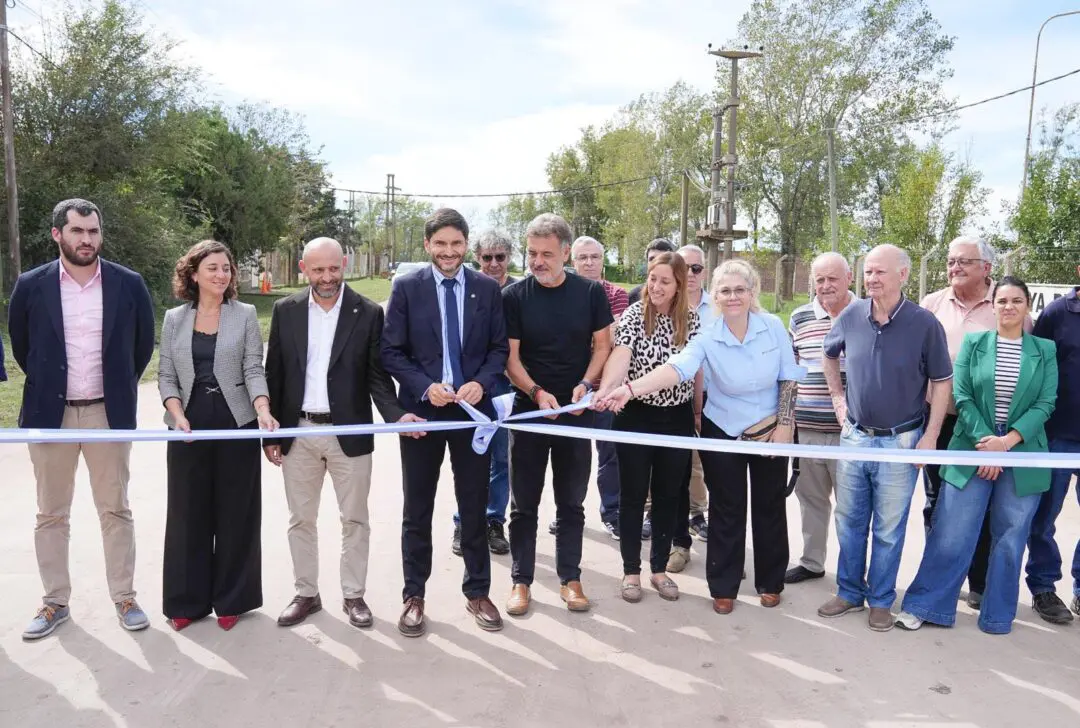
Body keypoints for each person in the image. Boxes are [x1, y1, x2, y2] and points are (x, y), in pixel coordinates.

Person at [604, 260, 804, 614]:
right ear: (717, 295)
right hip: (722, 428)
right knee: (726, 507)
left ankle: (770, 582)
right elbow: (678, 368)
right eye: (725, 290)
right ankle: (724, 587)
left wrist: (785, 427)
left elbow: (788, 377)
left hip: (771, 428)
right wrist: (630, 389)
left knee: (769, 504)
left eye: (740, 290)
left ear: (752, 292)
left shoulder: (773, 326)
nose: (732, 297)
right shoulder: (708, 333)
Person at [8, 199, 155, 640]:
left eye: (93, 231)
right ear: (58, 234)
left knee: (116, 509)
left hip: (107, 414)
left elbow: (141, 347)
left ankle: (124, 597)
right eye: (77, 231)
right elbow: (23, 346)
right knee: (51, 513)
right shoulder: (30, 285)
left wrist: (117, 389)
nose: (86, 239)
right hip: (49, 416)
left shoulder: (128, 284)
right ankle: (55, 601)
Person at [264, 238, 417, 630]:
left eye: (334, 268)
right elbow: (274, 372)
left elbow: (377, 376)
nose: (327, 277)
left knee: (355, 519)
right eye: (318, 270)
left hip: (349, 433)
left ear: (344, 264)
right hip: (298, 431)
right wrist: (272, 435)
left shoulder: (368, 312)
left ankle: (354, 596)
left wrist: (397, 416)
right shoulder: (286, 309)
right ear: (304, 269)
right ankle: (306, 593)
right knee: (301, 519)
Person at [896, 277, 1057, 634]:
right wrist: (988, 442)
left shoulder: (1044, 350)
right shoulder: (975, 343)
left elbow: (1046, 403)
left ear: (1027, 307)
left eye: (1017, 301)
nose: (1009, 307)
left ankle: (997, 616)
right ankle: (926, 605)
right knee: (952, 530)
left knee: (1010, 538)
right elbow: (963, 396)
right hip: (973, 445)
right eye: (1002, 301)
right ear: (993, 305)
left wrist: (1006, 443)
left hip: (1022, 451)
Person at [382, 208, 509, 637]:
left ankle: (478, 592)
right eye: (440, 243)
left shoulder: (486, 289)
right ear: (427, 245)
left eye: (456, 243)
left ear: (466, 245)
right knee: (417, 508)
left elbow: (498, 349)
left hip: (473, 415)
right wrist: (424, 387)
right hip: (424, 413)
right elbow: (391, 352)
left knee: (474, 506)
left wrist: (481, 382)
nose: (448, 252)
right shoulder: (406, 288)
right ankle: (414, 596)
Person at [817, 244, 952, 632]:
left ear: (903, 275)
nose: (871, 278)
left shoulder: (924, 323)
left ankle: (880, 599)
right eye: (868, 272)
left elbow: (942, 382)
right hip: (855, 437)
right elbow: (829, 354)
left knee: (889, 528)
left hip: (901, 440)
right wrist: (838, 398)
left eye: (880, 271)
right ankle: (848, 592)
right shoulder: (851, 315)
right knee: (849, 520)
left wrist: (930, 436)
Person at [158, 240, 277, 632]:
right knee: (187, 515)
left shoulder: (244, 315)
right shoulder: (174, 318)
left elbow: (253, 368)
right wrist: (177, 415)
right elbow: (166, 375)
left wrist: (262, 409)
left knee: (236, 514)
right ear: (193, 274)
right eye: (212, 268)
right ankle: (186, 603)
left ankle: (232, 599)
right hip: (187, 427)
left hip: (236, 424)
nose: (221, 274)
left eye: (226, 268)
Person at [503, 213, 613, 616]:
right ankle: (521, 581)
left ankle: (571, 578)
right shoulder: (513, 297)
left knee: (571, 503)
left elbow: (603, 346)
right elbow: (510, 359)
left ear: (566, 253)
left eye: (546, 254)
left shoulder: (590, 293)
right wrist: (536, 392)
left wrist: (586, 383)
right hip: (529, 413)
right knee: (524, 504)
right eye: (532, 253)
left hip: (574, 413)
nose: (537, 261)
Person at [920, 236, 1030, 609]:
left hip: (991, 431)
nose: (955, 268)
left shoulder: (1006, 304)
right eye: (951, 261)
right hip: (941, 420)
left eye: (964, 261)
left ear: (987, 267)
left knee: (984, 506)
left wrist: (1003, 437)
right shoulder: (932, 304)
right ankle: (940, 583)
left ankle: (979, 584)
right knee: (939, 502)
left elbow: (1029, 367)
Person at [594, 252, 699, 602]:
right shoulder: (634, 315)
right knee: (633, 495)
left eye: (664, 281)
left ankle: (658, 570)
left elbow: (693, 370)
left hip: (677, 418)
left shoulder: (693, 321)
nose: (655, 286)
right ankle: (630, 571)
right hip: (635, 416)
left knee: (669, 496)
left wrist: (697, 410)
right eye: (652, 278)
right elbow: (621, 355)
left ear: (679, 285)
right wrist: (608, 388)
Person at [784, 252, 856, 584]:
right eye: (820, 279)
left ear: (849, 278)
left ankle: (852, 574)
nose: (825, 286)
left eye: (833, 279)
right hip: (807, 430)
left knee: (852, 507)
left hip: (851, 434)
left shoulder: (866, 313)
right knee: (811, 500)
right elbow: (789, 373)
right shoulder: (799, 317)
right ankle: (812, 562)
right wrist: (787, 422)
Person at [450, 230, 518, 557]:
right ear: (477, 257)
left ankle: (494, 521)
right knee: (469, 457)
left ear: (509, 257)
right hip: (471, 385)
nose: (493, 263)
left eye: (500, 257)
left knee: (501, 459)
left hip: (506, 387)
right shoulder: (465, 288)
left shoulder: (519, 292)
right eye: (486, 257)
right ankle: (464, 521)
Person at [1025, 261, 1080, 624]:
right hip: (1058, 435)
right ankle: (1043, 586)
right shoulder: (1057, 313)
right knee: (1044, 517)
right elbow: (1038, 369)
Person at [570, 235, 626, 540]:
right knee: (573, 457)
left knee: (610, 454)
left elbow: (615, 338)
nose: (589, 262)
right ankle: (569, 513)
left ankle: (612, 513)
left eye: (595, 257)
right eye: (583, 257)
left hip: (608, 388)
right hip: (573, 389)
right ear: (572, 261)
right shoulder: (565, 293)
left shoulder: (617, 295)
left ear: (603, 261)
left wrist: (592, 336)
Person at [666, 244, 711, 573]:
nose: (691, 274)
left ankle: (718, 541)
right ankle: (678, 541)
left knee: (715, 474)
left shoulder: (720, 306)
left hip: (716, 401)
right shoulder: (663, 305)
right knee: (677, 474)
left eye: (697, 268)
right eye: (685, 267)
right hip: (675, 402)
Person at [627, 238, 677, 306]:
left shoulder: (679, 297)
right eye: (652, 259)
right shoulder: (634, 296)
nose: (656, 263)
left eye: (662, 259)